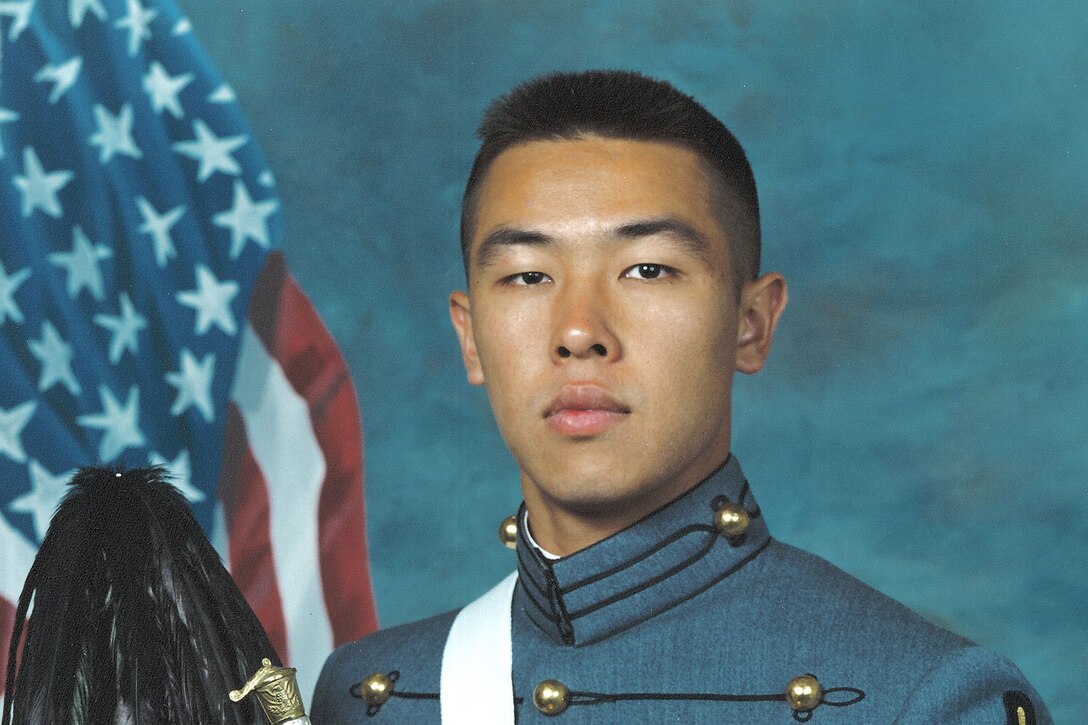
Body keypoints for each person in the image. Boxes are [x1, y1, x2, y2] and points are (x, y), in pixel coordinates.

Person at [311, 70, 1050, 724]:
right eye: (529, 275)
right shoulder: (373, 695)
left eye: (647, 270)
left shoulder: (923, 699)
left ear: (751, 324)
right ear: (470, 337)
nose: (578, 332)